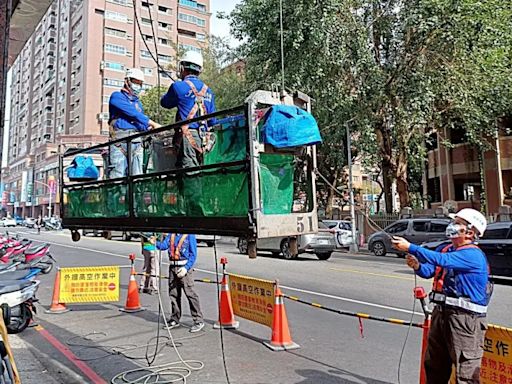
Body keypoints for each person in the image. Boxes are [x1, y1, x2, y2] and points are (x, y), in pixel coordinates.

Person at [392, 208, 492, 384]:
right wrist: (417, 266)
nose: (452, 225)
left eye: (457, 223)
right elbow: (430, 270)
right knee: (435, 365)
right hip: (442, 313)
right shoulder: (446, 249)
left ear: (470, 231)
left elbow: (441, 261)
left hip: (465, 320)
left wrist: (410, 247)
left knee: (466, 373)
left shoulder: (472, 255)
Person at [160, 51, 216, 169]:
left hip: (187, 136)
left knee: (189, 172)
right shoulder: (208, 91)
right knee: (200, 171)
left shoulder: (178, 86)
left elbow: (165, 103)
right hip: (204, 138)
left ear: (182, 68)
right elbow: (212, 121)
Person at [108, 68, 161, 178]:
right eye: (135, 82)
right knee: (117, 176)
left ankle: (136, 195)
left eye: (140, 83)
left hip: (136, 142)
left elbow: (140, 121)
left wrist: (148, 129)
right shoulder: (117, 97)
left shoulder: (138, 103)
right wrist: (152, 123)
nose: (137, 86)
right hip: (119, 141)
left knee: (137, 177)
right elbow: (133, 114)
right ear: (127, 81)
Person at [156, 233, 204, 333]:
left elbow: (193, 255)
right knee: (173, 294)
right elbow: (164, 246)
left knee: (190, 294)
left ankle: (198, 320)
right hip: (173, 267)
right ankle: (175, 318)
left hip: (184, 268)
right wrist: (154, 243)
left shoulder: (189, 235)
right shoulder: (171, 234)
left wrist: (186, 268)